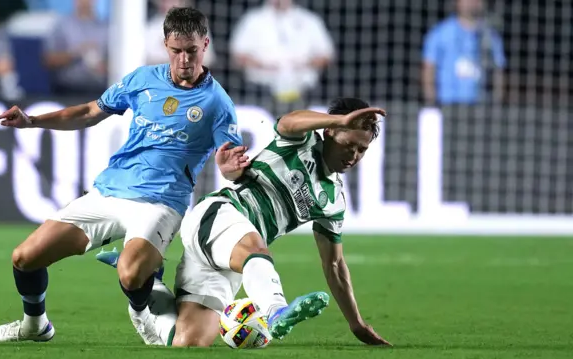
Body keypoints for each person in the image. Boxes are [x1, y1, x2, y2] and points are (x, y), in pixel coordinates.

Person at [0, 7, 249, 345]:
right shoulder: (142, 80)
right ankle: (35, 325)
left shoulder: (217, 103)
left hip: (162, 202)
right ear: (165, 44)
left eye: (192, 51)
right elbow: (89, 111)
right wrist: (32, 120)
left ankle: (141, 310)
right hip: (110, 192)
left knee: (130, 272)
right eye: (176, 50)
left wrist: (229, 168)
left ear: (205, 44)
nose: (184, 59)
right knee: (24, 258)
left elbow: (229, 159)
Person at [98, 98, 392, 347]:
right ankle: (276, 311)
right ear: (330, 130)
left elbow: (335, 266)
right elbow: (289, 121)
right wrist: (341, 118)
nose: (354, 155)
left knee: (187, 339)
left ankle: (149, 286)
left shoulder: (334, 201)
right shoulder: (300, 141)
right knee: (258, 250)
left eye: (362, 150)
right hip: (221, 215)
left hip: (232, 256)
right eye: (349, 144)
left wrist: (356, 324)